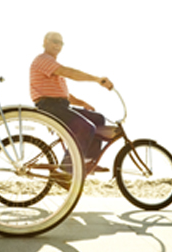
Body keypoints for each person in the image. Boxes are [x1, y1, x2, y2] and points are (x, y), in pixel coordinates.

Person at [30, 32, 119, 183]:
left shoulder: (53, 66)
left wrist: (82, 103)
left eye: (60, 43)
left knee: (98, 119)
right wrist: (96, 79)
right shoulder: (43, 60)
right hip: (49, 107)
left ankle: (87, 160)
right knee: (85, 127)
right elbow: (68, 72)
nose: (57, 45)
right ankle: (64, 170)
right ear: (45, 41)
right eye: (54, 41)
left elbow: (63, 95)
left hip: (59, 105)